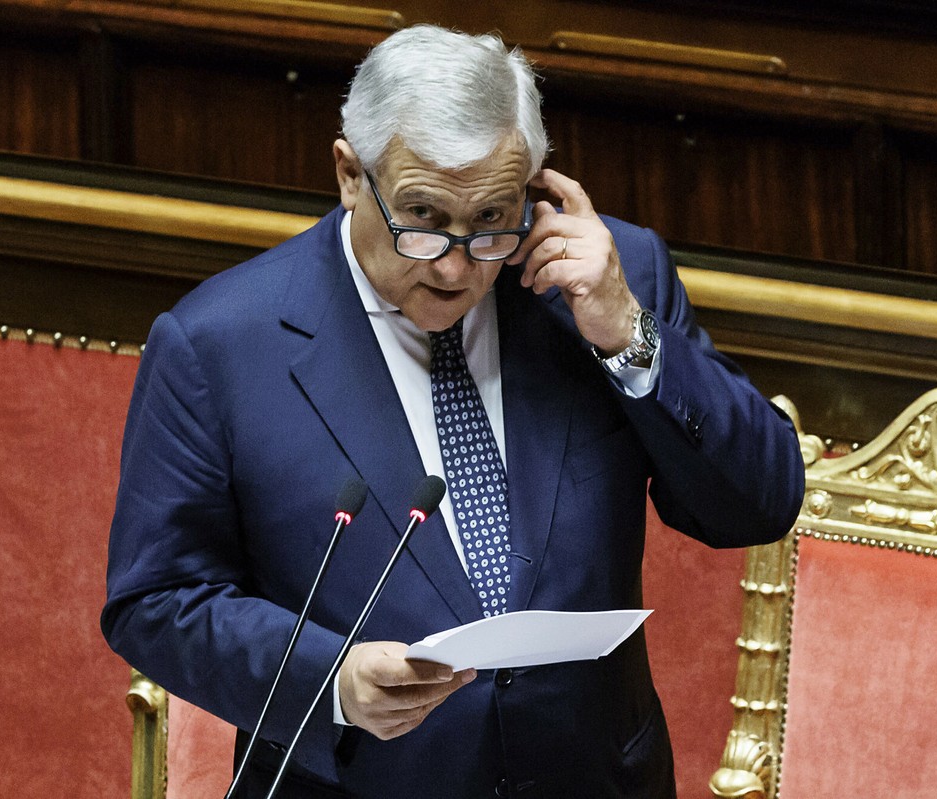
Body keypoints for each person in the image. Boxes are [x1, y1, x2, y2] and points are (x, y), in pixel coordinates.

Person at [102, 24, 805, 798]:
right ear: (348, 173)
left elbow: (758, 503)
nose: (458, 263)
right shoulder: (220, 344)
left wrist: (625, 332)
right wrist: (332, 679)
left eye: (492, 220)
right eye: (425, 218)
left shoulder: (606, 279)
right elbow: (156, 600)